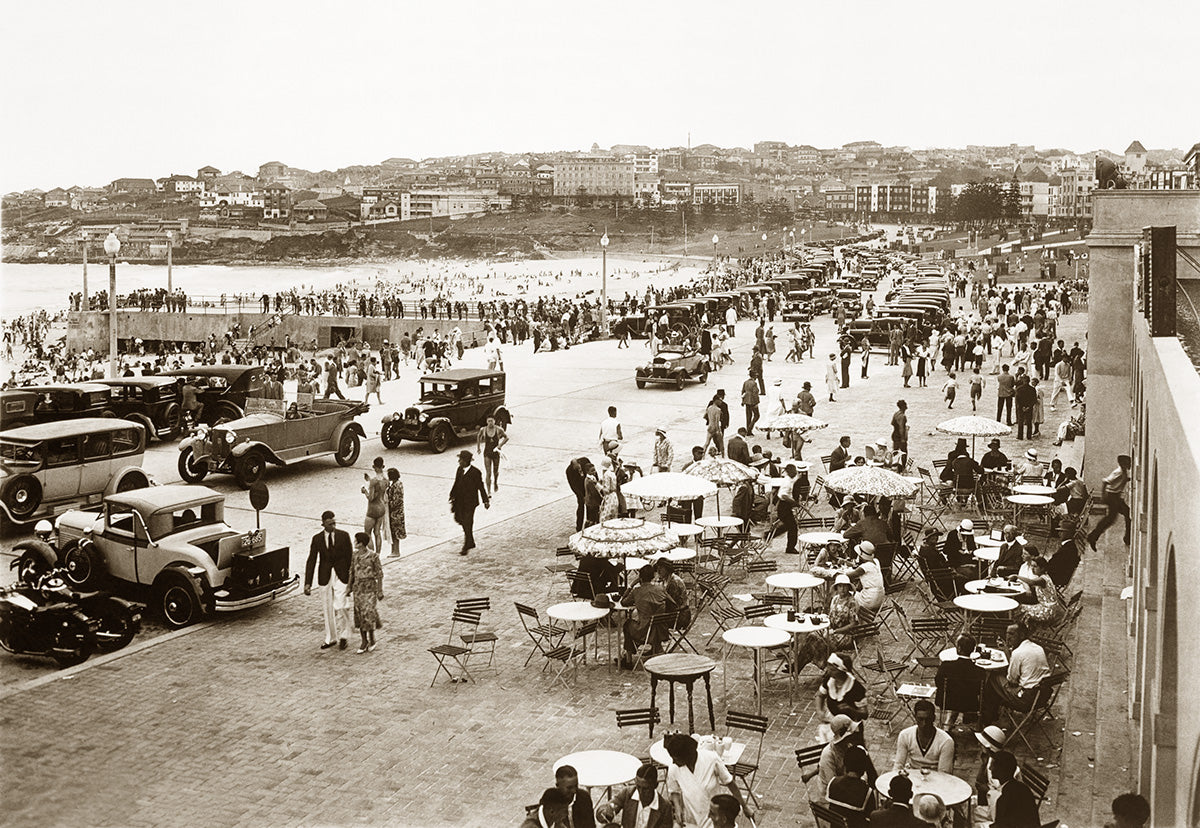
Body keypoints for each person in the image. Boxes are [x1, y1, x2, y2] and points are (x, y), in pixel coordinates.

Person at [664, 734, 754, 828]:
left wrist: (745, 806)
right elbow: (674, 791)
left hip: (714, 817)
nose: (673, 762)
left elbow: (730, 783)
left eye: (676, 758)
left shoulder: (711, 759)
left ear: (688, 755)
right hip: (692, 819)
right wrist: (678, 808)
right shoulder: (674, 768)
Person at [981, 623, 1050, 725]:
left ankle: (986, 718)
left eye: (1012, 634)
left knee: (993, 678)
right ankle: (991, 714)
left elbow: (1012, 681)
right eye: (1007, 633)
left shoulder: (1018, 652)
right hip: (1043, 695)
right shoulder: (1038, 647)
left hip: (1025, 699)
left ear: (1021, 635)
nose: (1008, 637)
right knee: (998, 684)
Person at [304, 510, 353, 651]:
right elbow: (311, 560)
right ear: (323, 523)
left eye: (334, 522)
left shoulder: (344, 536)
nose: (333, 525)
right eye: (330, 523)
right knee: (327, 607)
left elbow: (350, 559)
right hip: (325, 576)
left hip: (341, 575)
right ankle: (330, 637)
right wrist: (308, 583)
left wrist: (351, 581)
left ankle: (344, 635)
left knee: (341, 604)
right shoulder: (317, 539)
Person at [792, 573, 859, 674]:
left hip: (845, 635)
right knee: (811, 636)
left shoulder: (851, 602)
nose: (843, 589)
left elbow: (853, 624)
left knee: (816, 642)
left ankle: (798, 667)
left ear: (848, 587)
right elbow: (831, 615)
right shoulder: (835, 599)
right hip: (831, 628)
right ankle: (798, 666)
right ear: (837, 587)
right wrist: (824, 619)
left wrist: (834, 631)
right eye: (840, 586)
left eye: (845, 586)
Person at [594, 764, 671, 828]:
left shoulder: (665, 808)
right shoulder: (627, 793)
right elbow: (611, 805)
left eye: (645, 789)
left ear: (655, 785)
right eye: (638, 786)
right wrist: (605, 811)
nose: (640, 792)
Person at [619, 565, 667, 668]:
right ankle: (656, 648)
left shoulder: (637, 591)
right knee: (647, 619)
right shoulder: (661, 589)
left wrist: (631, 585)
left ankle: (628, 659)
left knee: (627, 624)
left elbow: (623, 602)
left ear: (640, 578)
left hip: (644, 630)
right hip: (660, 629)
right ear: (653, 577)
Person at [893, 700, 954, 773]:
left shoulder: (946, 741)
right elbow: (898, 765)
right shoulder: (905, 735)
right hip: (913, 775)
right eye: (920, 719)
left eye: (928, 719)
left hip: (935, 778)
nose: (924, 724)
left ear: (933, 718)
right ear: (915, 718)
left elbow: (943, 773)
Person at [346, 531, 383, 654]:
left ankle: (372, 639)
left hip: (369, 588)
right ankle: (364, 640)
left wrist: (379, 590)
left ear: (361, 543)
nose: (354, 543)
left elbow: (379, 574)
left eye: (356, 541)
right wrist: (349, 587)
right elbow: (351, 571)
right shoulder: (354, 555)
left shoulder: (373, 556)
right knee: (359, 613)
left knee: (368, 613)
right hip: (358, 588)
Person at [449, 450, 490, 556]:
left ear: (466, 461)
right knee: (460, 519)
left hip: (470, 502)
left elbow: (480, 487)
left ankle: (466, 545)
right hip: (459, 501)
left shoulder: (475, 472)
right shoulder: (459, 470)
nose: (459, 461)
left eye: (461, 460)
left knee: (468, 522)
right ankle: (470, 541)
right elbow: (456, 483)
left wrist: (485, 500)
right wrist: (452, 495)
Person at [1087, 454, 1131, 550]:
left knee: (1127, 513)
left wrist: (1128, 479)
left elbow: (1122, 480)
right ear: (1122, 463)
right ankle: (1093, 537)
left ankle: (1127, 538)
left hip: (1117, 497)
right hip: (1112, 497)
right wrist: (1103, 496)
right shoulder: (1118, 472)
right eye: (1128, 462)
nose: (1130, 464)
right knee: (1110, 519)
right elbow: (1105, 481)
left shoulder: (1123, 472)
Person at [935, 634, 986, 717]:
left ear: (959, 648)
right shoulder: (980, 672)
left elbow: (938, 683)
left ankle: (949, 722)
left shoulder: (946, 666)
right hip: (970, 704)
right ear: (973, 649)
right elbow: (979, 691)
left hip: (947, 702)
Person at [826, 745, 876, 827]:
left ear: (845, 765)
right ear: (863, 769)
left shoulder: (833, 783)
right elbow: (871, 819)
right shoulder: (866, 792)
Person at [990, 750, 1040, 827]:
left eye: (993, 765)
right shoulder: (1023, 788)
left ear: (1000, 770)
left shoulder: (1002, 799)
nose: (990, 768)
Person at [1014, 556, 1065, 629]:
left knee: (1019, 608)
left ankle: (1021, 630)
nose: (1032, 568)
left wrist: (1017, 576)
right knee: (1022, 606)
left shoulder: (1042, 579)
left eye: (1035, 566)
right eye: (1031, 566)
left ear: (1042, 568)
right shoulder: (1045, 577)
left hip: (1048, 610)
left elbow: (1031, 582)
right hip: (1050, 608)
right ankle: (1024, 628)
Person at [818, 653, 868, 722]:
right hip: (831, 721)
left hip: (850, 725)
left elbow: (865, 714)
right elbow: (820, 695)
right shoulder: (829, 679)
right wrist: (819, 711)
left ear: (841, 671)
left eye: (833, 670)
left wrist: (851, 710)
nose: (829, 671)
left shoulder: (856, 687)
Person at [973, 726, 1009, 819]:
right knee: (962, 805)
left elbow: (1003, 797)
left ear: (988, 747)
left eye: (982, 744)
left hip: (998, 809)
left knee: (966, 812)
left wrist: (986, 790)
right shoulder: (989, 759)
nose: (979, 745)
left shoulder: (1001, 767)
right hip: (990, 802)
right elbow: (979, 781)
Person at [847, 542, 884, 615]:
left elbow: (849, 575)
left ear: (860, 556)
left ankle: (847, 617)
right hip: (880, 598)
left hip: (869, 599)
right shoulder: (876, 561)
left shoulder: (865, 567)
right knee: (857, 592)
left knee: (845, 594)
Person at [477, 413, 509, 494]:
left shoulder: (499, 429)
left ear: (494, 421)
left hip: (495, 453)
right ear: (486, 422)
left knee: (495, 471)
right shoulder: (483, 429)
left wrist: (500, 445)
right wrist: (478, 447)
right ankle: (488, 491)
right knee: (488, 472)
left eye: (491, 421)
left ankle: (495, 482)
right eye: (488, 421)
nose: (490, 423)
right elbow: (478, 436)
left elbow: (506, 437)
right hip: (487, 452)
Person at [362, 456, 388, 553]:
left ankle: (372, 554)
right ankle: (378, 554)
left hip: (372, 509)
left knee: (367, 533)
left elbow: (371, 498)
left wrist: (365, 491)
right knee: (377, 532)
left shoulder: (374, 481)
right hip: (381, 508)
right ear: (383, 466)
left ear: (374, 466)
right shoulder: (386, 480)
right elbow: (380, 489)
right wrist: (369, 480)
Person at [567, 456, 594, 532]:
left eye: (579, 468)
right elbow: (573, 486)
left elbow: (592, 471)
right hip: (579, 489)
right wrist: (581, 496)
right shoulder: (569, 471)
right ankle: (578, 527)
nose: (579, 470)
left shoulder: (585, 461)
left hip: (588, 485)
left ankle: (589, 523)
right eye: (577, 469)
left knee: (590, 506)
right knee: (581, 506)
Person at [385, 467, 406, 558]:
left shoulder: (396, 486)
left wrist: (387, 503)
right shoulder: (397, 484)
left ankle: (396, 551)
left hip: (395, 513)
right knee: (394, 532)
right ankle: (394, 550)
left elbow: (396, 501)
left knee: (395, 532)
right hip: (397, 512)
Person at [777, 486, 799, 555]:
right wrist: (793, 502)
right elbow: (784, 495)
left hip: (785, 507)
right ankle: (790, 548)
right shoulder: (787, 481)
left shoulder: (791, 481)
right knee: (792, 527)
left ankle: (790, 547)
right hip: (784, 507)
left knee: (790, 526)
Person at [741, 369, 760, 434]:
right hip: (752, 401)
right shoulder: (754, 383)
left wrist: (743, 401)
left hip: (746, 400)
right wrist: (757, 402)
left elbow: (743, 392)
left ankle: (748, 430)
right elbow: (755, 393)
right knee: (757, 415)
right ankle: (749, 428)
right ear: (754, 376)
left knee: (748, 416)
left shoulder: (746, 382)